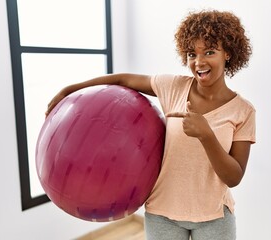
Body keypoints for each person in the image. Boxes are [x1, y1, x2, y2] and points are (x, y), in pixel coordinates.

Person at [46, 10, 255, 240]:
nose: (199, 62)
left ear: (228, 53)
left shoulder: (243, 111)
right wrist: (70, 89)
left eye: (209, 52)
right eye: (191, 54)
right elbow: (123, 80)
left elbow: (234, 177)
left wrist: (206, 135)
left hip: (214, 218)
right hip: (162, 214)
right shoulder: (174, 87)